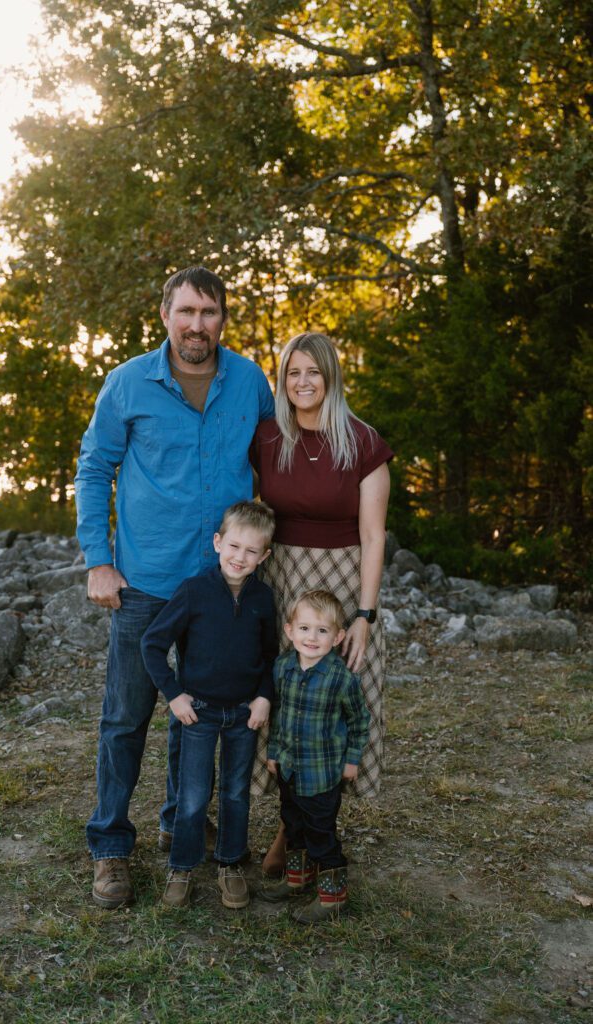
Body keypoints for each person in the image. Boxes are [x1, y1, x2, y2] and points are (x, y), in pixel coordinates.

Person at [75, 266, 274, 909]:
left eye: (209, 312)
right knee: (126, 717)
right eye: (186, 311)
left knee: (199, 714)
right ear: (165, 315)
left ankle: (177, 821)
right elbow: (94, 468)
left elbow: (276, 465)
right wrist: (98, 560)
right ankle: (109, 846)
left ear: (222, 318)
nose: (197, 325)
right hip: (149, 584)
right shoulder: (128, 382)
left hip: (224, 589)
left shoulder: (248, 381)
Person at [251, 331, 393, 876]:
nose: (302, 382)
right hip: (282, 580)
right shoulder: (267, 438)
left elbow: (375, 536)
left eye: (313, 371)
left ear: (331, 376)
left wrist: (364, 615)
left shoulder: (363, 442)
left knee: (335, 700)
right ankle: (291, 823)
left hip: (343, 586)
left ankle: (309, 832)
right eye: (292, 372)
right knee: (284, 698)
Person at [141, 501, 277, 909]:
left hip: (242, 713)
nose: (241, 557)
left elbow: (270, 657)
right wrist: (174, 693)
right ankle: (181, 868)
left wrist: (264, 697)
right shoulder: (193, 592)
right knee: (194, 794)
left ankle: (230, 863)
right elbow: (152, 644)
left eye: (252, 551)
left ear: (264, 556)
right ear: (218, 543)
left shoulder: (263, 599)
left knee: (236, 793)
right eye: (234, 546)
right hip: (196, 711)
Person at [260, 589, 370, 922]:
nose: (312, 637)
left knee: (320, 834)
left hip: (323, 775)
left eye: (322, 631)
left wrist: (352, 761)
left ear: (337, 637)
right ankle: (298, 878)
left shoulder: (341, 678)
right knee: (293, 824)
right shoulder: (282, 668)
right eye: (305, 628)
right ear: (290, 630)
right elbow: (278, 714)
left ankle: (333, 896)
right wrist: (275, 752)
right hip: (290, 769)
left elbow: (359, 721)